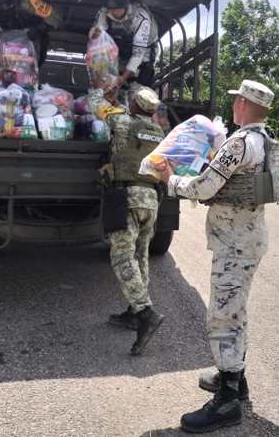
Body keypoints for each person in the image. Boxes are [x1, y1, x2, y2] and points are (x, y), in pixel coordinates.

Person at [156, 79, 279, 434]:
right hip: (249, 238)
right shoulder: (265, 140)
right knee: (236, 310)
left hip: (234, 244)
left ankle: (227, 402)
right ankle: (235, 378)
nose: (233, 106)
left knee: (224, 316)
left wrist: (170, 179)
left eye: (235, 101)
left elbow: (204, 187)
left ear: (242, 103)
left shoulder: (240, 142)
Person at [89, 86, 166, 356]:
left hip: (126, 197)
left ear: (134, 104)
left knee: (121, 257)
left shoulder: (121, 120)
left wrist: (102, 91)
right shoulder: (160, 133)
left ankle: (145, 312)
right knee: (140, 255)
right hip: (151, 199)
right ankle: (134, 312)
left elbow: (94, 104)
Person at [102, 0, 158, 106]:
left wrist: (121, 79)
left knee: (139, 94)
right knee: (113, 88)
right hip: (122, 52)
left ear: (126, 6)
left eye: (117, 9)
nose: (114, 13)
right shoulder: (105, 12)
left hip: (144, 55)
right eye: (111, 9)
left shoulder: (141, 18)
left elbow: (138, 54)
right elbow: (98, 35)